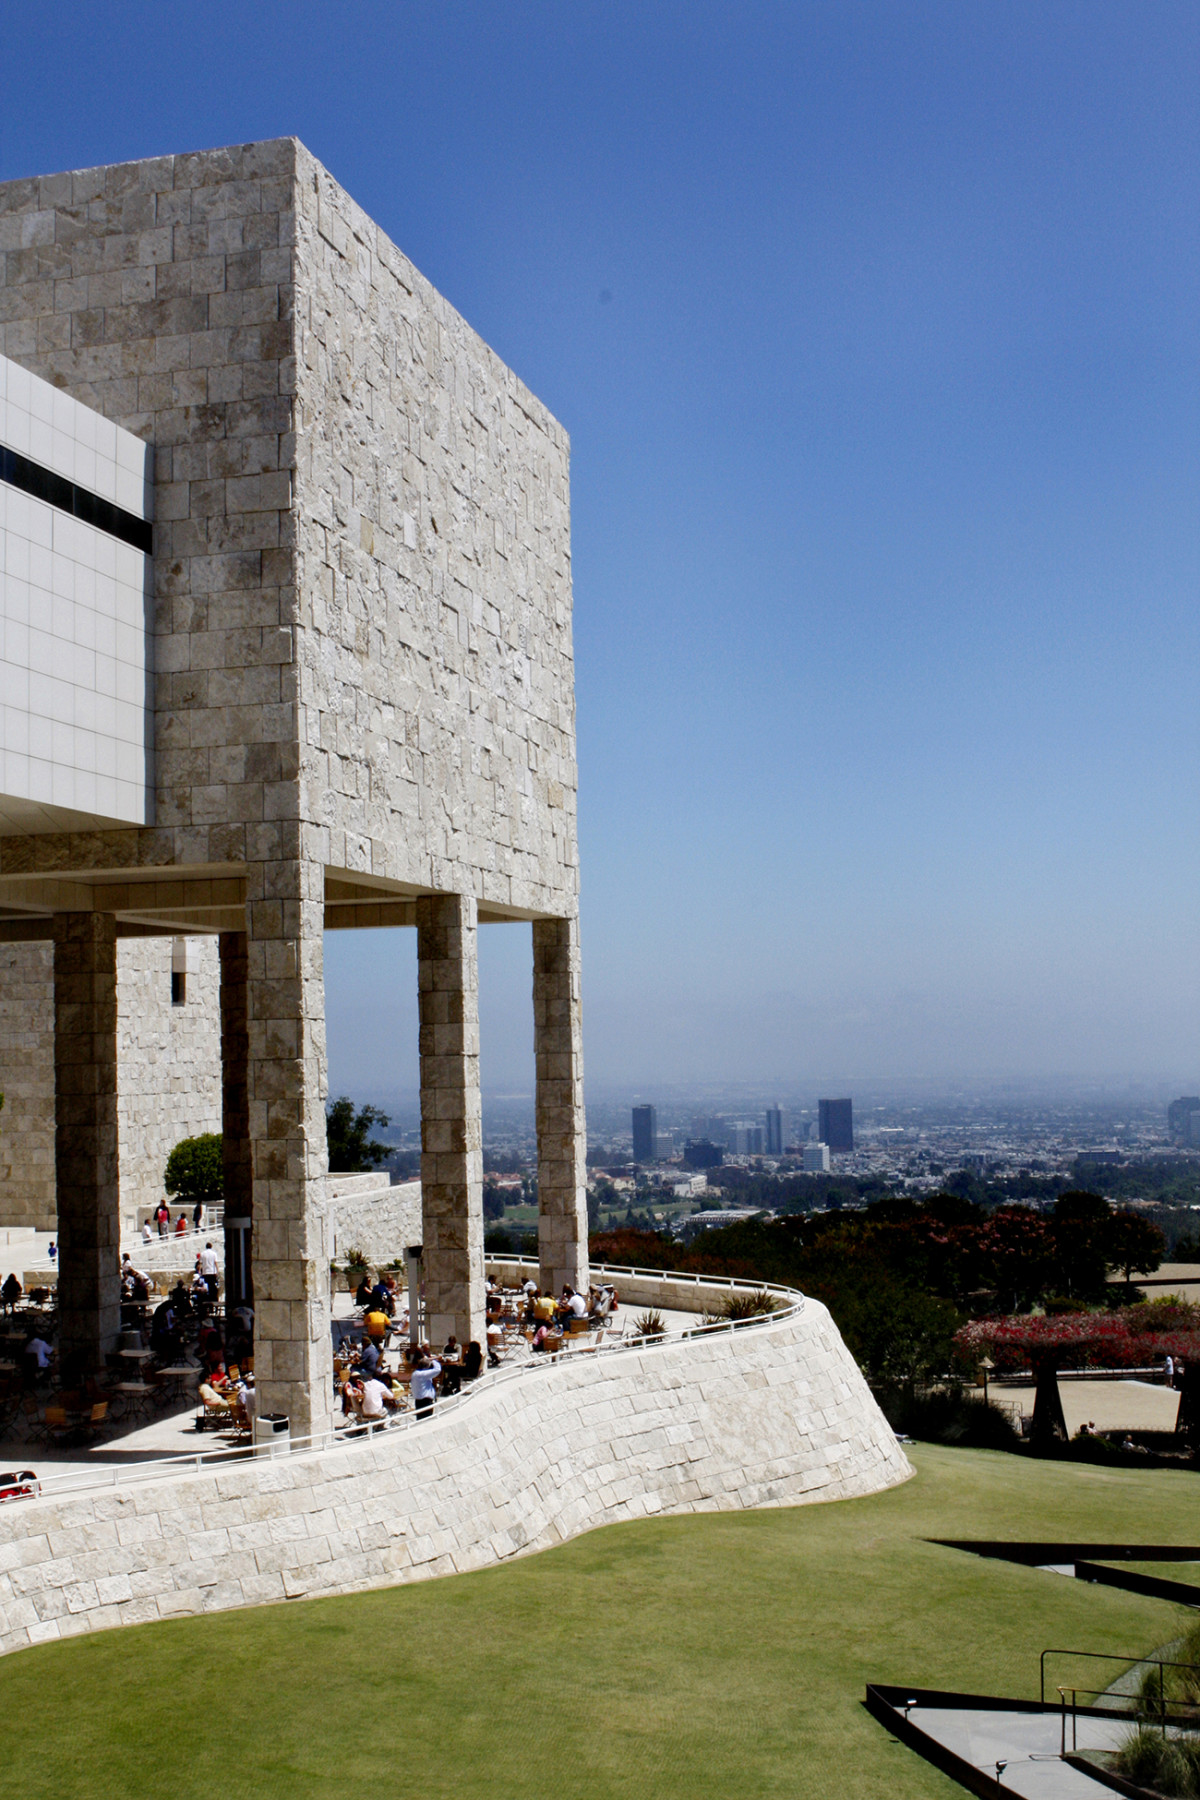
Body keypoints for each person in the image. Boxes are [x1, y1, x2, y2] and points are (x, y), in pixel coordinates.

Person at [408, 1352, 441, 1420]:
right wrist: (433, 1360)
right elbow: (438, 1369)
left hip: (418, 1401)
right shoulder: (423, 1374)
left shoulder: (415, 1373)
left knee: (420, 1420)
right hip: (425, 1401)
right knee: (426, 1420)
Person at [198, 1241, 220, 1306]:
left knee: (206, 1286)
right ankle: (212, 1299)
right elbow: (215, 1263)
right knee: (212, 1286)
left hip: (205, 1272)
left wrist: (199, 1271)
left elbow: (200, 1263)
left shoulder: (202, 1254)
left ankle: (207, 1299)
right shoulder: (214, 1254)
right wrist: (217, 1271)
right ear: (211, 1247)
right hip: (212, 1272)